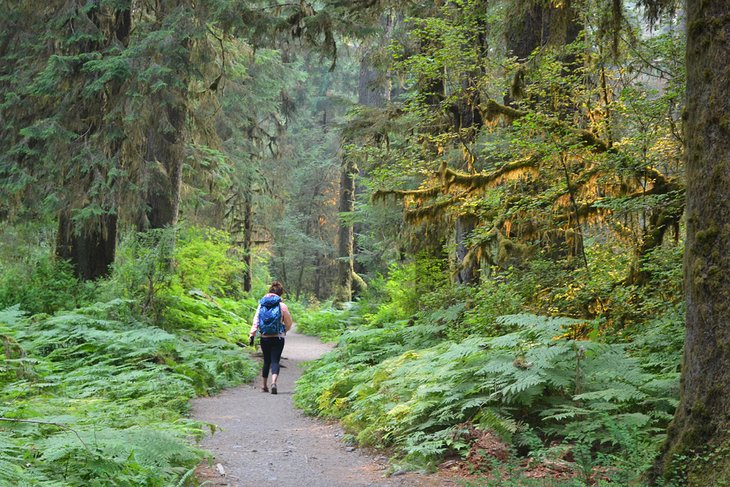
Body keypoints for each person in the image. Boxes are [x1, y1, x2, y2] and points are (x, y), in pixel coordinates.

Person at [248, 281, 293, 394]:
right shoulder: (282, 306)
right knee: (275, 360)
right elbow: (288, 322)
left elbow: (256, 320)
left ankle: (264, 386)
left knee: (266, 361)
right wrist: (284, 330)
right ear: (280, 293)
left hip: (264, 337)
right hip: (278, 337)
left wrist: (252, 334)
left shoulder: (262, 304)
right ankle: (273, 383)